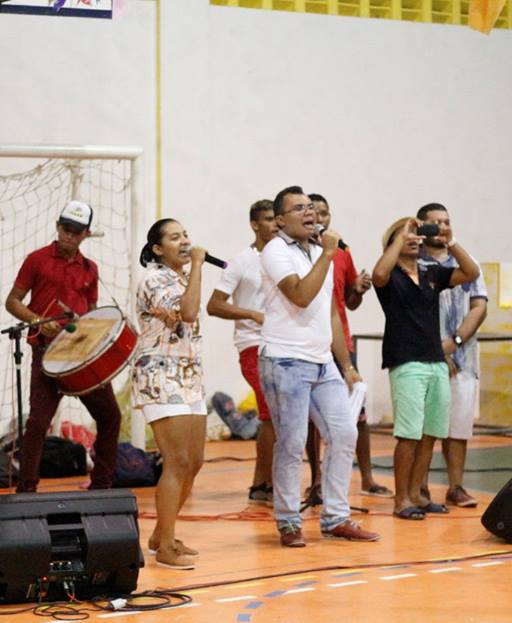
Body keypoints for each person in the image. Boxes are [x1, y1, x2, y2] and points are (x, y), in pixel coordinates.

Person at [259, 186, 380, 547]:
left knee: (344, 434)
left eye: (310, 207)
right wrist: (328, 253)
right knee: (292, 443)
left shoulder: (318, 252)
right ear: (280, 220)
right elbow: (300, 295)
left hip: (323, 361)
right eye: (299, 208)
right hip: (285, 360)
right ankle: (288, 521)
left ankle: (336, 517)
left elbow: (330, 313)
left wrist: (346, 364)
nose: (309, 213)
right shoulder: (275, 250)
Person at [4, 201, 121, 494]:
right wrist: (37, 321)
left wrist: (90, 330)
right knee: (38, 422)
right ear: (57, 227)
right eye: (65, 229)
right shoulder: (37, 260)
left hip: (79, 354)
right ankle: (27, 489)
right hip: (45, 352)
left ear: (86, 234)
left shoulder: (90, 269)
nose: (69, 235)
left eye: (76, 231)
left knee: (110, 415)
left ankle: (102, 485)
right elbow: (13, 301)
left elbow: (91, 312)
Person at [372, 216, 479, 521]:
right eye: (407, 234)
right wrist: (398, 238)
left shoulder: (430, 271)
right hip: (406, 360)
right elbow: (378, 274)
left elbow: (471, 272)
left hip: (435, 360)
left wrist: (450, 241)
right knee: (408, 433)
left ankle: (418, 492)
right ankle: (401, 499)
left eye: (416, 234)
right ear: (393, 242)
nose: (414, 238)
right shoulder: (390, 275)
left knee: (431, 432)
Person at [132, 218, 207, 569]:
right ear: (158, 249)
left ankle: (162, 535)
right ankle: (165, 549)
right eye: (175, 237)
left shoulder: (182, 277)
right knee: (176, 461)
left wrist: (194, 271)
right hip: (161, 376)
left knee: (194, 462)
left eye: (186, 235)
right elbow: (188, 313)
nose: (185, 241)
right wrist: (199, 267)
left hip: (189, 376)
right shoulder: (154, 279)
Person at [308, 193, 390, 500]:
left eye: (325, 213)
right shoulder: (301, 251)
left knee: (357, 410)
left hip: (341, 340)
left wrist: (359, 289)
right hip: (311, 343)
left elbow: (350, 303)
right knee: (313, 419)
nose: (320, 218)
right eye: (314, 212)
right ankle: (316, 480)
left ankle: (367, 478)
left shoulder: (343, 252)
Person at [206, 199, 278, 506]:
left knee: (277, 417)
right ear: (254, 225)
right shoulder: (241, 262)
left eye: (277, 218)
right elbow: (214, 305)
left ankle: (264, 484)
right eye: (269, 219)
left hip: (283, 344)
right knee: (271, 414)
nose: (275, 224)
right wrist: (252, 314)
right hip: (253, 346)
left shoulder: (287, 257)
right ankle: (266, 485)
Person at [416, 203, 488, 508]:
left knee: (458, 428)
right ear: (421, 225)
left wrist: (455, 341)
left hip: (463, 359)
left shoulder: (466, 263)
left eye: (446, 222)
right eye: (435, 223)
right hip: (424, 357)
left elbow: (479, 307)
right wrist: (437, 349)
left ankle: (456, 486)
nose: (442, 228)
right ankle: (418, 487)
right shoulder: (413, 263)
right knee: (424, 428)